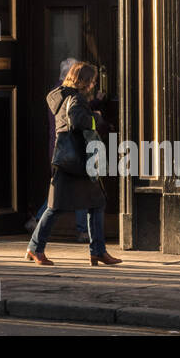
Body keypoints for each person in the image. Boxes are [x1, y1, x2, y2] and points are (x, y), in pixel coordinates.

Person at [25, 60, 123, 267]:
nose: (94, 84)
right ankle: (35, 248)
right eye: (92, 80)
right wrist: (96, 118)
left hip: (67, 159)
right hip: (75, 161)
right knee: (56, 207)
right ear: (84, 81)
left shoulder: (60, 95)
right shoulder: (76, 99)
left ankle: (97, 251)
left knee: (96, 203)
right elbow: (79, 122)